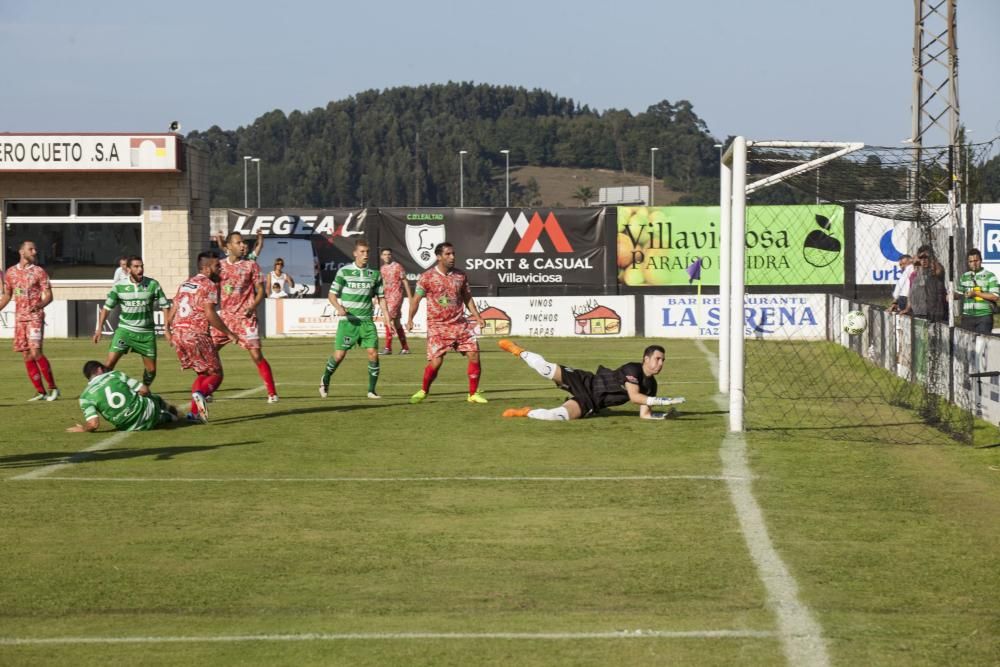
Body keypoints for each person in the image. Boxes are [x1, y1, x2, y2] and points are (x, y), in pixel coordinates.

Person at [497, 340, 684, 421]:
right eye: (657, 359)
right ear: (646, 358)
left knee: (555, 416)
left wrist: (664, 416)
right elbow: (635, 397)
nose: (660, 363)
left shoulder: (652, 386)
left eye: (663, 360)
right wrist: (662, 401)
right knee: (546, 369)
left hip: (591, 401)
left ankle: (526, 412)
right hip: (586, 381)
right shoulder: (632, 369)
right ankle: (517, 350)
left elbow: (644, 415)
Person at [407, 242, 487, 404]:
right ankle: (423, 390)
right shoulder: (427, 277)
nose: (452, 257)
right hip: (437, 326)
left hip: (460, 324)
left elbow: (467, 298)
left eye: (453, 254)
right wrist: (410, 319)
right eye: (448, 254)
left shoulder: (460, 275)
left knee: (474, 354)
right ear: (438, 257)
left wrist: (477, 316)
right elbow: (416, 300)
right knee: (436, 362)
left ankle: (472, 394)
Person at [164, 252, 238, 423]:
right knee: (216, 374)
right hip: (197, 334)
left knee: (202, 374)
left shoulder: (185, 283)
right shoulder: (209, 285)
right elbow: (210, 313)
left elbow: (173, 307)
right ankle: (201, 394)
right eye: (216, 266)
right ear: (205, 268)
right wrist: (229, 333)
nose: (220, 269)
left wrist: (167, 329)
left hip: (179, 334)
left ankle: (194, 414)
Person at [319, 239, 391, 399]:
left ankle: (371, 390)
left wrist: (387, 316)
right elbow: (331, 294)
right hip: (349, 322)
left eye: (367, 252)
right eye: (362, 252)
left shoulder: (375, 274)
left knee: (373, 353)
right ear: (355, 253)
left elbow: (381, 297)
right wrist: (339, 308)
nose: (365, 255)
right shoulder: (344, 272)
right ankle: (325, 378)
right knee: (339, 356)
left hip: (366, 322)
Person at [213, 231, 279, 403]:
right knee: (210, 352)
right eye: (238, 242)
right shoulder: (219, 266)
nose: (243, 245)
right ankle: (209, 389)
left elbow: (260, 291)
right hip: (225, 318)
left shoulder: (251, 265)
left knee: (256, 355)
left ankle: (272, 393)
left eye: (243, 242)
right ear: (228, 247)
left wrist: (252, 306)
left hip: (245, 318)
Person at [93, 256, 171, 387]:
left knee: (151, 370)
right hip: (125, 331)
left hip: (146, 334)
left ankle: (145, 390)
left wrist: (166, 329)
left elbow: (165, 305)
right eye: (136, 267)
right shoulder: (119, 287)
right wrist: (99, 328)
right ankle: (100, 389)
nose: (140, 269)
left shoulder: (153, 284)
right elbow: (106, 308)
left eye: (141, 266)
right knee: (109, 364)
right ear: (128, 269)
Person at [0, 240, 59, 401]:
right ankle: (40, 392)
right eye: (31, 249)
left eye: (35, 249)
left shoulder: (39, 272)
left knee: (35, 351)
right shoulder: (10, 273)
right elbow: (7, 295)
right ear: (21, 252)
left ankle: (53, 388)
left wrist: (39, 305)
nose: (34, 252)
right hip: (20, 318)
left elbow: (49, 296)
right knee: (26, 355)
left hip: (35, 317)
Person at [66, 361, 179, 432]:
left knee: (148, 420)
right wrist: (136, 396)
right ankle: (170, 414)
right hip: (147, 411)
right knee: (155, 398)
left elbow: (94, 424)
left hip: (128, 427)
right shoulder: (115, 375)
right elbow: (144, 390)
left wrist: (83, 428)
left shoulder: (84, 397)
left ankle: (164, 417)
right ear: (99, 369)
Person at [954, 247, 999, 334]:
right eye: (971, 261)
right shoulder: (964, 276)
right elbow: (959, 293)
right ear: (968, 263)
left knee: (981, 345)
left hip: (984, 317)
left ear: (981, 260)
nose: (974, 264)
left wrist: (976, 293)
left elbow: (995, 296)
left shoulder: (990, 276)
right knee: (967, 346)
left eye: (976, 260)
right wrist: (952, 295)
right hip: (967, 316)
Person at [378, 248, 413, 355]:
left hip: (396, 296)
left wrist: (410, 297)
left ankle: (388, 348)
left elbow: (405, 281)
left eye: (389, 254)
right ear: (381, 256)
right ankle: (405, 348)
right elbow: (383, 283)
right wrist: (379, 296)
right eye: (385, 254)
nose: (387, 256)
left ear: (391, 255)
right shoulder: (383, 268)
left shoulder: (397, 266)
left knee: (387, 319)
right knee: (396, 322)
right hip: (386, 296)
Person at [908, 245, 947, 322]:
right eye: (921, 258)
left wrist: (932, 258)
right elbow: (911, 292)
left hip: (936, 313)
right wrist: (908, 308)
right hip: (920, 312)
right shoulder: (918, 272)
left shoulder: (935, 269)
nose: (924, 260)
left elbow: (939, 271)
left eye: (926, 257)